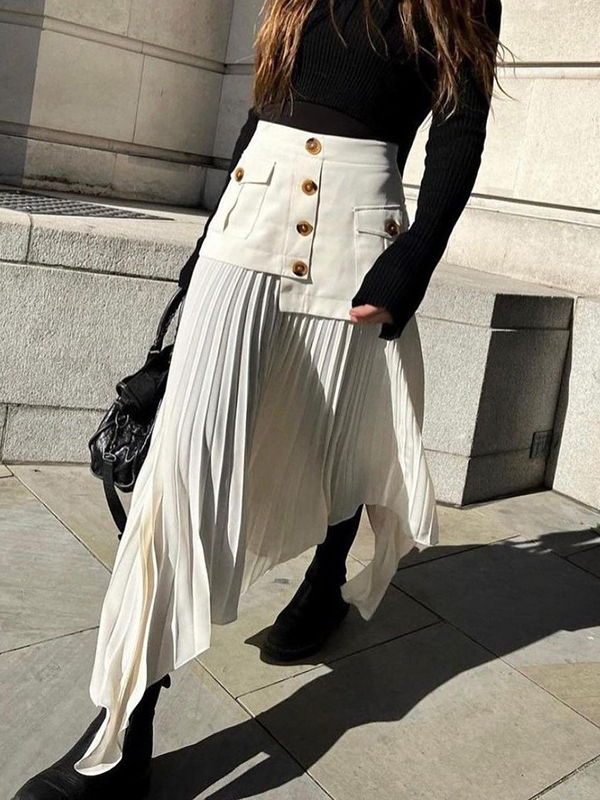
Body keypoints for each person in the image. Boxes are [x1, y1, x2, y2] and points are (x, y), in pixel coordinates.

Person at [12, 0, 504, 797]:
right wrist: (200, 259)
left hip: (359, 238)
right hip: (250, 219)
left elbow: (461, 124)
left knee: (342, 429)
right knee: (179, 478)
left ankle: (324, 582)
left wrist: (416, 255)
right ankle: (123, 729)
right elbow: (260, 112)